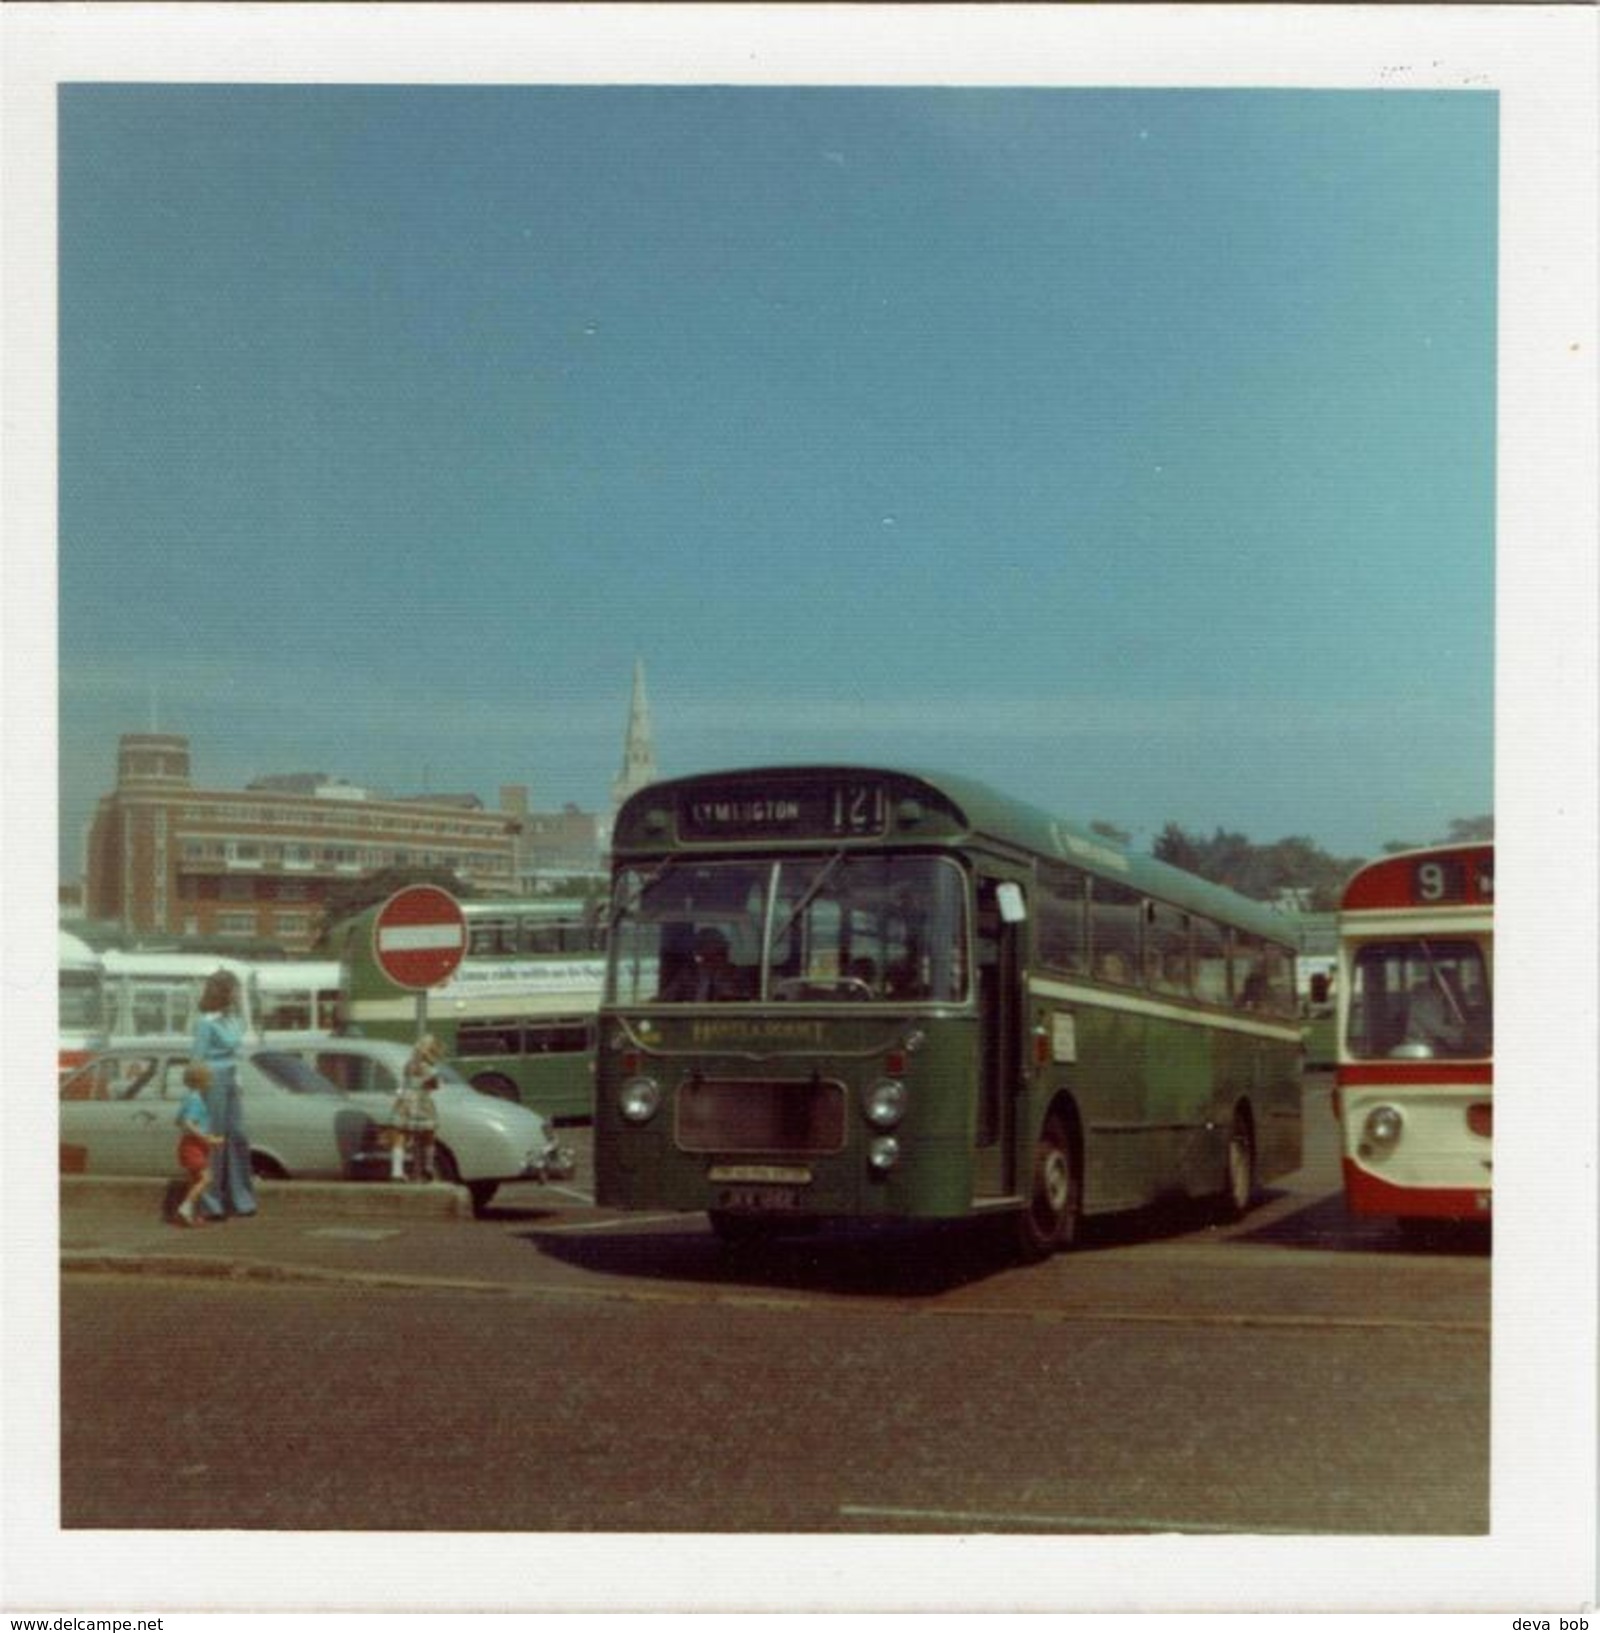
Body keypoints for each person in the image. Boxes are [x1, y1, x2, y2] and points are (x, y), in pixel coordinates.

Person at [193, 969, 256, 1220]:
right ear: (224, 991)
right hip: (211, 1080)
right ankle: (211, 1203)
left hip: (230, 1078)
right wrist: (195, 1095)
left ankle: (241, 1199)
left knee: (238, 1136)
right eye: (235, 989)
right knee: (215, 1140)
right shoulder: (206, 1023)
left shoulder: (234, 1019)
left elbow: (240, 1040)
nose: (239, 994)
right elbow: (196, 1059)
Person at [173, 1062, 224, 1227]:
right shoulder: (196, 1100)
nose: (210, 1083)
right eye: (208, 1079)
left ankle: (191, 1215)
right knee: (206, 1178)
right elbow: (188, 1123)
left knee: (194, 1181)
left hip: (189, 1144)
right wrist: (207, 1138)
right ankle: (185, 1208)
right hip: (194, 1146)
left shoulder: (187, 1098)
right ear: (201, 1081)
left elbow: (178, 1121)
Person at [390, 1035, 443, 1182]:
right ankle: (428, 1167)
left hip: (405, 1100)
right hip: (421, 1101)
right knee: (429, 1135)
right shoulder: (430, 1069)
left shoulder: (409, 1065)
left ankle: (396, 1171)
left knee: (400, 1134)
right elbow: (434, 1086)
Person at [661, 928, 748, 1002]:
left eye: (722, 952)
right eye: (715, 952)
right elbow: (665, 1000)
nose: (720, 958)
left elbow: (748, 1001)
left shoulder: (734, 974)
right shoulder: (688, 974)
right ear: (700, 951)